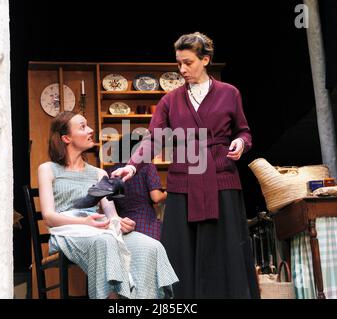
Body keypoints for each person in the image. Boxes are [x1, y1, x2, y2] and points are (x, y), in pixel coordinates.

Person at [111, 32, 260, 298]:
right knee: (181, 251)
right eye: (179, 63)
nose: (182, 70)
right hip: (184, 182)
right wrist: (132, 166)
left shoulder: (229, 93)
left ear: (205, 59)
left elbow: (244, 131)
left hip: (220, 178)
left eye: (188, 62)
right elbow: (154, 138)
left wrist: (240, 142)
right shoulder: (170, 100)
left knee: (225, 249)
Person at [37, 111, 178, 299]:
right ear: (66, 138)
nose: (91, 130)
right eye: (83, 127)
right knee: (107, 242)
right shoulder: (47, 169)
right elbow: (49, 217)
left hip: (100, 229)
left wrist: (121, 223)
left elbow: (112, 216)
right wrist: (85, 222)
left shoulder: (99, 174)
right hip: (67, 231)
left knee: (151, 246)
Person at [105, 134, 167, 240]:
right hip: (146, 223)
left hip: (122, 226)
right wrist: (167, 193)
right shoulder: (147, 166)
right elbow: (156, 197)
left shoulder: (111, 171)